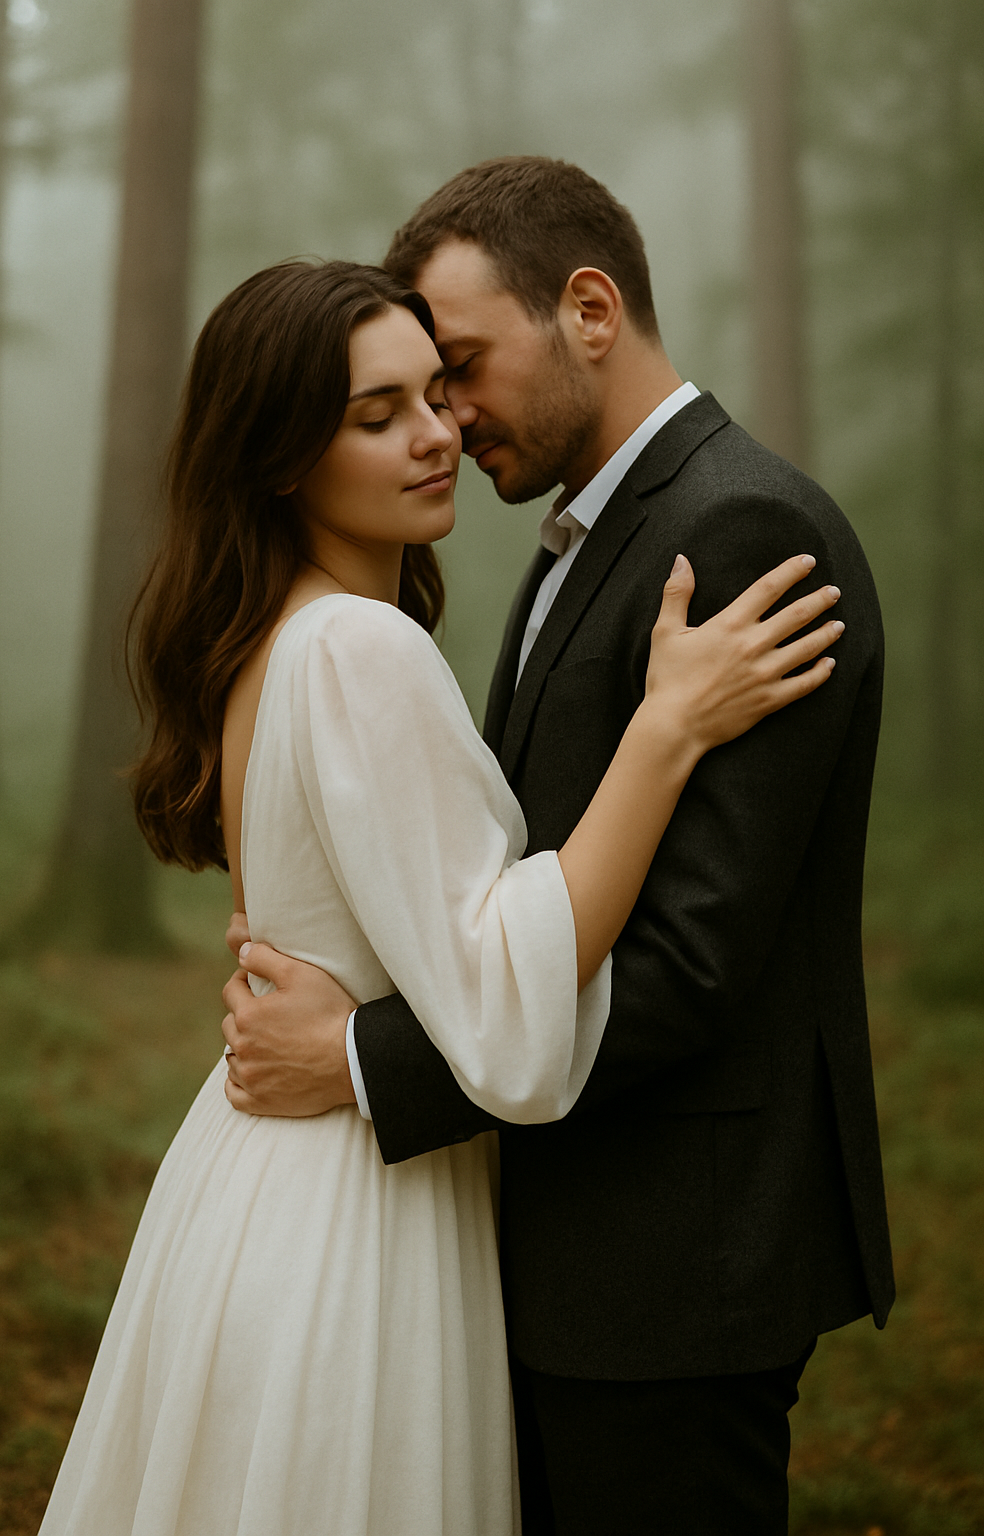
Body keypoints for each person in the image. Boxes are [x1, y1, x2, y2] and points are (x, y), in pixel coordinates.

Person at [38, 257, 840, 1536]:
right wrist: (666, 727)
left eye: (435, 392)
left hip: (262, 1181)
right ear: (279, 457)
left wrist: (345, 1035)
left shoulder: (286, 633)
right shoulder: (360, 645)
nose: (438, 436)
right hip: (356, 1215)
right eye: (379, 415)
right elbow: (501, 995)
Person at [221, 159, 895, 1535]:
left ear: (589, 309)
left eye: (459, 368)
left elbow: (694, 961)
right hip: (563, 1243)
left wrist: (359, 1060)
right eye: (407, 394)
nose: (447, 418)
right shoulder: (574, 536)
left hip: (672, 1262)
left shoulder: (740, 529)